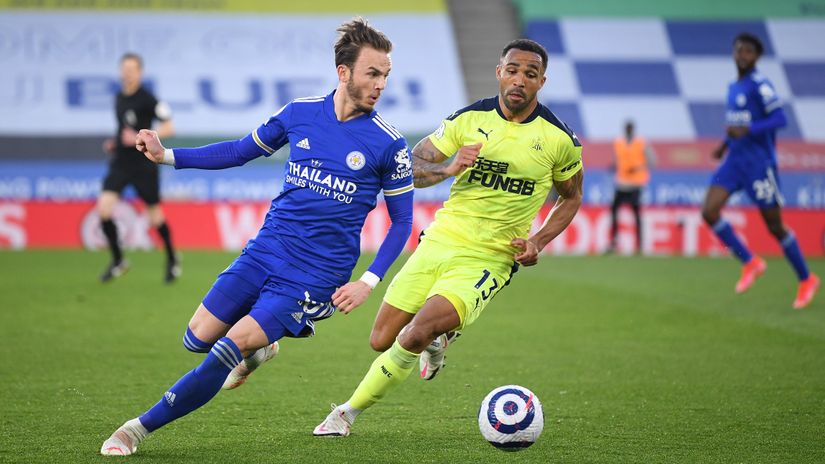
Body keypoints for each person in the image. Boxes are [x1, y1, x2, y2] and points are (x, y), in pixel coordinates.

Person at [100, 18, 414, 456]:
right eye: (372, 73)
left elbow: (402, 223)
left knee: (228, 347)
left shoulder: (388, 144)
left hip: (316, 274)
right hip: (267, 248)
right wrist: (167, 155)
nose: (380, 84)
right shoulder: (300, 114)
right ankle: (260, 350)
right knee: (197, 336)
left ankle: (135, 429)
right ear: (343, 72)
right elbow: (238, 151)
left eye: (385, 75)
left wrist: (368, 281)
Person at [313, 38, 583, 437]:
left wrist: (538, 241)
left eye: (529, 73)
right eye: (512, 70)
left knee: (413, 334)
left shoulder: (559, 139)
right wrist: (451, 166)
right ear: (499, 72)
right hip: (440, 240)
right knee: (380, 339)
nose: (519, 80)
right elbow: (414, 167)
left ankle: (346, 414)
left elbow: (571, 196)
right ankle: (440, 340)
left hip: (490, 257)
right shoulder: (467, 120)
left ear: (542, 81)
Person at [701, 32, 819, 309]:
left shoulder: (760, 84)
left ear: (756, 57)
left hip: (759, 164)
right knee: (709, 211)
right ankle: (750, 262)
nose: (743, 55)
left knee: (774, 226)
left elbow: (780, 118)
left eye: (748, 51)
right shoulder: (734, 87)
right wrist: (725, 144)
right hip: (734, 161)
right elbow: (737, 124)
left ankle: (806, 278)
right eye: (739, 50)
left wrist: (748, 130)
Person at [98, 53, 180, 283]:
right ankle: (118, 260)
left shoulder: (148, 99)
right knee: (104, 210)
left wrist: (139, 137)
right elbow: (123, 128)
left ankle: (173, 258)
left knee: (155, 216)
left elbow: (169, 127)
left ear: (140, 72)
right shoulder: (119, 98)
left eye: (132, 69)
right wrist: (115, 142)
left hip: (144, 164)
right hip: (121, 162)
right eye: (124, 68)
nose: (128, 73)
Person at [606, 120, 655, 254]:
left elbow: (652, 161)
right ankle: (613, 242)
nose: (628, 130)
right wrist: (613, 166)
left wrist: (638, 168)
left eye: (629, 128)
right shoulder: (619, 142)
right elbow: (618, 160)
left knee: (636, 214)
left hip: (635, 184)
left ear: (633, 129)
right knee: (614, 211)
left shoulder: (641, 143)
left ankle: (639, 246)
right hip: (621, 183)